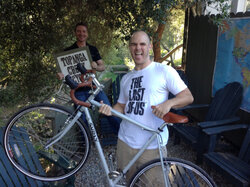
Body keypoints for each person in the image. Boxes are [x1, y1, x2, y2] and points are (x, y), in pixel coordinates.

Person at [99, 30, 194, 184]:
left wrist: (168, 103)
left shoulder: (163, 71)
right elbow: (121, 107)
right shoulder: (126, 79)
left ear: (149, 47)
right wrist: (109, 111)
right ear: (130, 48)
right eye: (134, 44)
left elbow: (188, 97)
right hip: (124, 142)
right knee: (129, 182)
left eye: (142, 44)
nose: (138, 48)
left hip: (151, 147)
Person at [58, 22, 120, 133]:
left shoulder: (92, 49)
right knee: (82, 121)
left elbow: (102, 66)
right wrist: (60, 75)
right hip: (78, 90)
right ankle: (87, 147)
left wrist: (96, 66)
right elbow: (63, 72)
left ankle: (123, 138)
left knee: (109, 112)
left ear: (87, 34)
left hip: (94, 88)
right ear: (75, 33)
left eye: (84, 31)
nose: (81, 34)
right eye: (79, 31)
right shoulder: (68, 51)